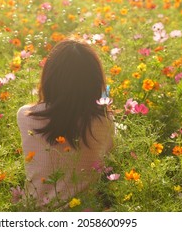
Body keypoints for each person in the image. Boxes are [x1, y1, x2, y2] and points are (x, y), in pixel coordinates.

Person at [17, 39, 114, 208]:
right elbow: (108, 163)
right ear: (94, 81)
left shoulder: (26, 116)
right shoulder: (105, 121)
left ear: (50, 78)